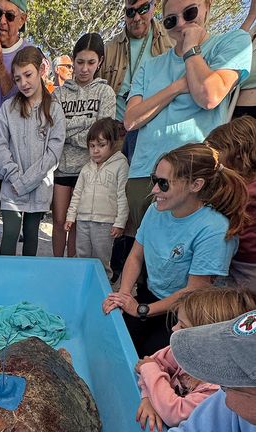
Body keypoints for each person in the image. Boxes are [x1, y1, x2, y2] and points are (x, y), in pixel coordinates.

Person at [123, 0, 251, 239]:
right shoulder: (150, 65)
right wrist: (177, 87)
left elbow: (209, 95)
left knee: (190, 259)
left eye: (189, 13)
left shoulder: (232, 42)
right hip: (144, 173)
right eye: (171, 20)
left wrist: (191, 50)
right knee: (149, 259)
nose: (181, 24)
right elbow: (130, 120)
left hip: (194, 175)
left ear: (207, 8)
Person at [102, 143, 246, 357]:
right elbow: (135, 255)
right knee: (116, 346)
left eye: (163, 183)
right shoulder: (155, 210)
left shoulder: (213, 230)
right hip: (150, 295)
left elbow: (193, 291)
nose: (154, 190)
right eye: (154, 179)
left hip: (187, 314)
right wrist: (123, 296)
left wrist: (142, 310)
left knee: (152, 360)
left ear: (195, 185)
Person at [137, 286, 256, 432]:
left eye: (182, 326)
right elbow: (150, 362)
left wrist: (152, 376)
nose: (173, 328)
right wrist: (148, 397)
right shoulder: (187, 351)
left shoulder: (219, 388)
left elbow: (174, 412)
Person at [0, 45, 65, 256]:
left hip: (39, 188)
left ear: (42, 70)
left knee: (32, 234)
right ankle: (6, 280)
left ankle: (27, 282)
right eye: (17, 78)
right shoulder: (8, 109)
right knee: (10, 233)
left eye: (28, 75)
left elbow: (53, 154)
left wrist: (26, 182)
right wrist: (15, 178)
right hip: (11, 187)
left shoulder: (54, 110)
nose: (23, 83)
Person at [52, 33, 115, 258]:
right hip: (62, 166)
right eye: (80, 62)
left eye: (90, 62)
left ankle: (72, 268)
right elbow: (56, 130)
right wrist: (87, 128)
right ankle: (56, 266)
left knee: (76, 222)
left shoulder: (105, 92)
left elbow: (103, 135)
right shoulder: (59, 93)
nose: (84, 68)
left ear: (99, 62)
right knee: (59, 221)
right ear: (73, 60)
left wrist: (72, 131)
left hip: (89, 169)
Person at [98, 0, 171, 145]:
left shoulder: (171, 40)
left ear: (154, 6)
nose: (136, 18)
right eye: (130, 12)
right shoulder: (109, 48)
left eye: (143, 9)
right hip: (117, 136)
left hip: (155, 132)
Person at [64, 117, 128, 278]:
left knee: (101, 258)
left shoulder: (121, 165)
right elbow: (77, 193)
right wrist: (71, 216)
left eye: (101, 145)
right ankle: (81, 281)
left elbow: (122, 195)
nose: (96, 150)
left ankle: (103, 286)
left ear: (113, 143)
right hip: (84, 220)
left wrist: (120, 222)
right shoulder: (86, 168)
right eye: (92, 146)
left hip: (105, 223)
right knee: (82, 254)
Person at [205, 116, 256, 293]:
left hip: (248, 264)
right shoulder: (236, 182)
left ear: (239, 154)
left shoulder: (247, 189)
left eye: (219, 153)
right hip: (232, 258)